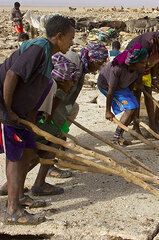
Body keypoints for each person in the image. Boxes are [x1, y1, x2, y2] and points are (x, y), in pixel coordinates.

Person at [0, 15, 75, 225]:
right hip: (7, 108)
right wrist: (7, 111)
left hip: (21, 113)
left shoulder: (48, 56)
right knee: (15, 156)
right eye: (70, 38)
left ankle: (20, 197)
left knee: (27, 152)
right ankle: (12, 211)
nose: (72, 42)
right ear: (59, 37)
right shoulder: (39, 48)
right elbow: (12, 76)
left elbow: (33, 90)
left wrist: (30, 120)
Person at [31, 42, 109, 195]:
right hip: (49, 109)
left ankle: (27, 181)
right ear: (91, 58)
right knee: (47, 143)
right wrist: (53, 120)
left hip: (55, 108)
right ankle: (36, 182)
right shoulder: (74, 66)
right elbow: (59, 94)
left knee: (48, 142)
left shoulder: (80, 64)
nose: (98, 67)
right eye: (98, 63)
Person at [125, 27, 159, 134]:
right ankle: (136, 127)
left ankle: (153, 126)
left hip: (147, 71)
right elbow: (137, 62)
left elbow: (156, 62)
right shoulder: (147, 42)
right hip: (132, 69)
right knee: (137, 96)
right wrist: (138, 80)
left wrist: (154, 77)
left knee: (149, 96)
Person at [97, 43, 148, 144]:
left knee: (135, 106)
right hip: (107, 86)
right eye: (142, 62)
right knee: (130, 108)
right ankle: (116, 137)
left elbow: (132, 84)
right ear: (134, 62)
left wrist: (131, 93)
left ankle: (120, 134)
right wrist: (107, 111)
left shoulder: (139, 69)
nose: (145, 64)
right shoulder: (118, 68)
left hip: (121, 87)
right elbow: (111, 91)